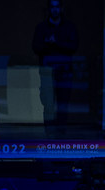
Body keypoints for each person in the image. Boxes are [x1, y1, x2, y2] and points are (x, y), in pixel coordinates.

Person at [32, 0, 78, 132]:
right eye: (52, 7)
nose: (55, 10)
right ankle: (49, 134)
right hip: (46, 71)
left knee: (63, 103)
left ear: (61, 8)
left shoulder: (69, 27)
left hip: (64, 71)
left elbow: (73, 46)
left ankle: (61, 134)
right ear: (49, 9)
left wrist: (56, 43)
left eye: (57, 7)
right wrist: (49, 44)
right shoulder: (41, 28)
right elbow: (36, 47)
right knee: (48, 103)